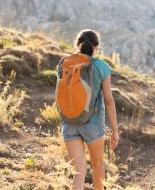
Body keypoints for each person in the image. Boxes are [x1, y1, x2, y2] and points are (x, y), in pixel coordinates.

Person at [60, 29, 119, 190]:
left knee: (79, 171)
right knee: (97, 165)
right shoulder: (102, 67)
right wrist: (115, 130)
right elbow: (108, 100)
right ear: (96, 47)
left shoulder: (65, 63)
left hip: (70, 122)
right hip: (93, 124)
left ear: (77, 45)